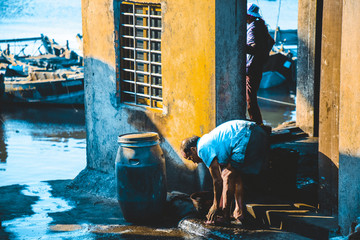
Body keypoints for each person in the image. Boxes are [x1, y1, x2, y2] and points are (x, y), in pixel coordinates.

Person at [180, 120, 268, 225]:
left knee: (226, 175)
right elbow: (233, 178)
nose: (194, 162)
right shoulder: (209, 140)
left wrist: (215, 206)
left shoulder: (202, 148)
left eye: (190, 158)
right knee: (235, 175)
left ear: (193, 149)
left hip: (247, 135)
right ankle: (239, 212)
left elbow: (217, 181)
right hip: (257, 132)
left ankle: (224, 216)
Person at [246, 3, 271, 126]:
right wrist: (263, 56)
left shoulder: (252, 27)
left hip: (251, 67)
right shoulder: (261, 25)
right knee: (252, 97)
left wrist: (239, 44)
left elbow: (253, 48)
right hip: (258, 66)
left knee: (250, 99)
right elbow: (271, 41)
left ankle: (257, 124)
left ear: (249, 15)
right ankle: (258, 123)